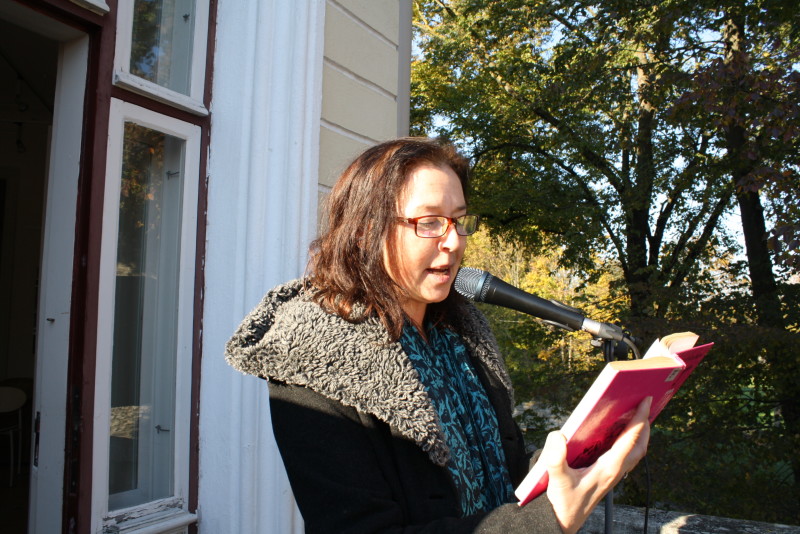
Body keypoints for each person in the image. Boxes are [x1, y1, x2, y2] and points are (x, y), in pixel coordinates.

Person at [225, 137, 650, 533]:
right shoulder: (314, 358)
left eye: (459, 221)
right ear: (364, 232)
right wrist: (545, 521)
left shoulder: (464, 335)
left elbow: (504, 471)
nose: (453, 242)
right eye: (429, 222)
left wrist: (581, 454)